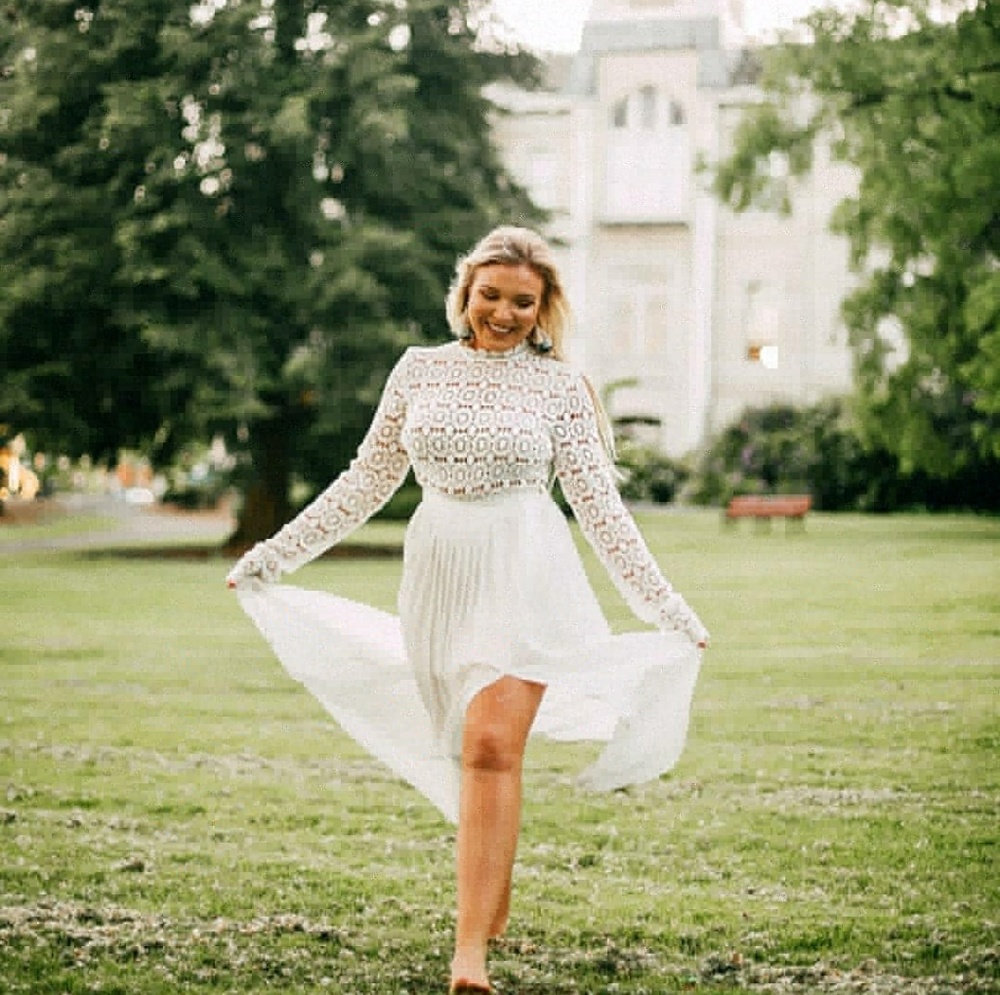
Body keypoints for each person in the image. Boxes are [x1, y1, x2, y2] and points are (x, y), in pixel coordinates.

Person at [226, 225, 709, 994]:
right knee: (467, 750)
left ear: (545, 306)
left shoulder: (562, 388)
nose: (505, 313)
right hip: (440, 575)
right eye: (492, 295)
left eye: (524, 301)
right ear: (465, 293)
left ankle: (468, 955)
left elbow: (603, 511)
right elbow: (364, 481)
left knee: (490, 745)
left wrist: (669, 608)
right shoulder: (418, 371)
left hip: (527, 575)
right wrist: (272, 555)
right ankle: (493, 898)